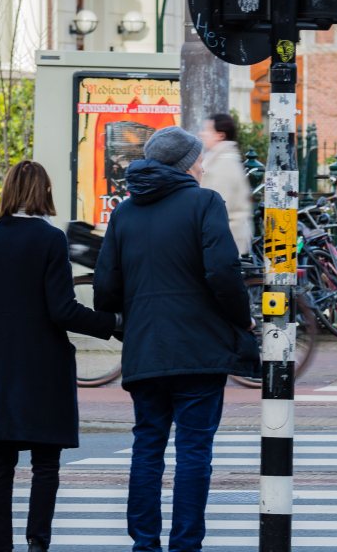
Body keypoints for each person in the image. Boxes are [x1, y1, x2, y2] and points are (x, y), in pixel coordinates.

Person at [94, 126, 258, 552]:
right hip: (198, 351)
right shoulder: (204, 202)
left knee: (147, 447)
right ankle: (185, 544)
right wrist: (242, 320)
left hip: (145, 351)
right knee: (193, 452)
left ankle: (144, 543)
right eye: (198, 158)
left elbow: (105, 287)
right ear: (187, 163)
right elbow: (223, 271)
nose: (202, 165)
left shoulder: (125, 213)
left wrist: (127, 321)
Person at [0, 161, 116, 552]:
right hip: (43, 365)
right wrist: (111, 323)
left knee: (1, 463)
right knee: (45, 462)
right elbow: (62, 310)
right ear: (43, 192)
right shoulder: (49, 240)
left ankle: (0, 546)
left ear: (8, 192)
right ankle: (37, 542)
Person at [200, 113, 254, 255]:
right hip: (224, 239)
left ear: (220, 136)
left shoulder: (223, 164)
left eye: (207, 130)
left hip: (222, 242)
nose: (202, 134)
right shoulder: (220, 159)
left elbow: (218, 206)